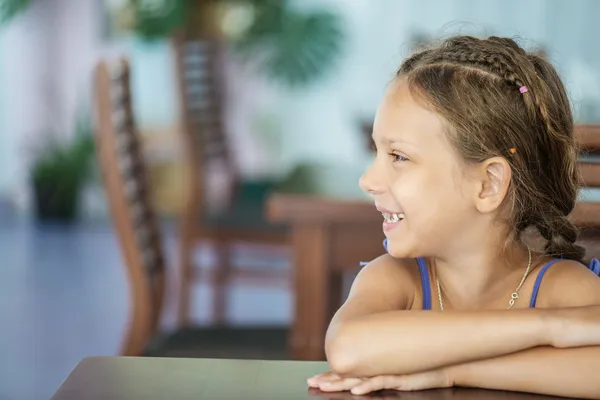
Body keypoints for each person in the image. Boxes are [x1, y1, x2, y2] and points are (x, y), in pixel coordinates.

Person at [307, 35, 600, 399]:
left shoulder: (564, 287)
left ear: (487, 184)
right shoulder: (397, 279)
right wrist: (551, 328)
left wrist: (452, 370)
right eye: (378, 152)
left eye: (398, 157)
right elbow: (350, 349)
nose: (367, 180)